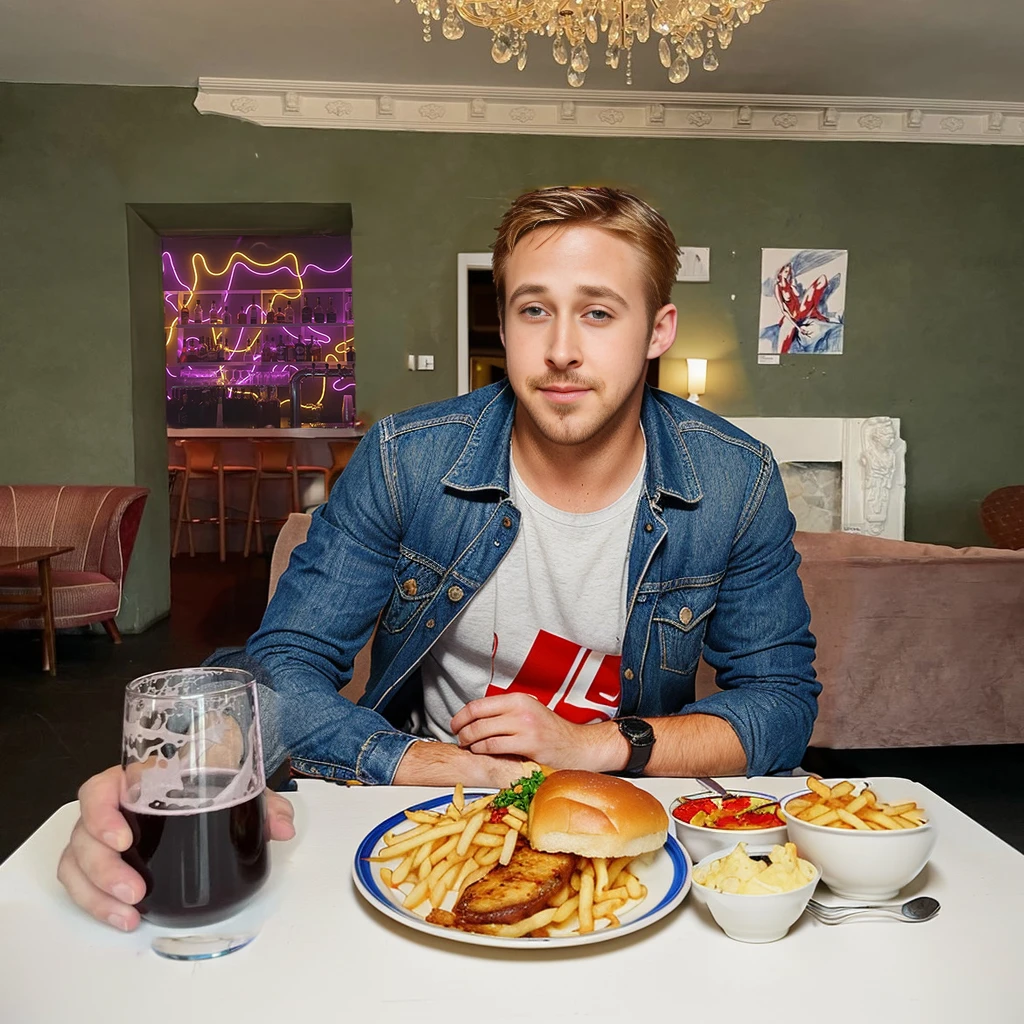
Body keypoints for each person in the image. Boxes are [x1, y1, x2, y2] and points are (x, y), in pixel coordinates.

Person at [58, 186, 819, 930]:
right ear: (505, 322)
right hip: (426, 812)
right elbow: (285, 662)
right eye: (533, 310)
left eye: (597, 312)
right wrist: (446, 767)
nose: (560, 350)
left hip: (622, 829)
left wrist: (592, 745)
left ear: (658, 330)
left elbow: (781, 703)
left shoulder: (733, 479)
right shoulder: (404, 460)